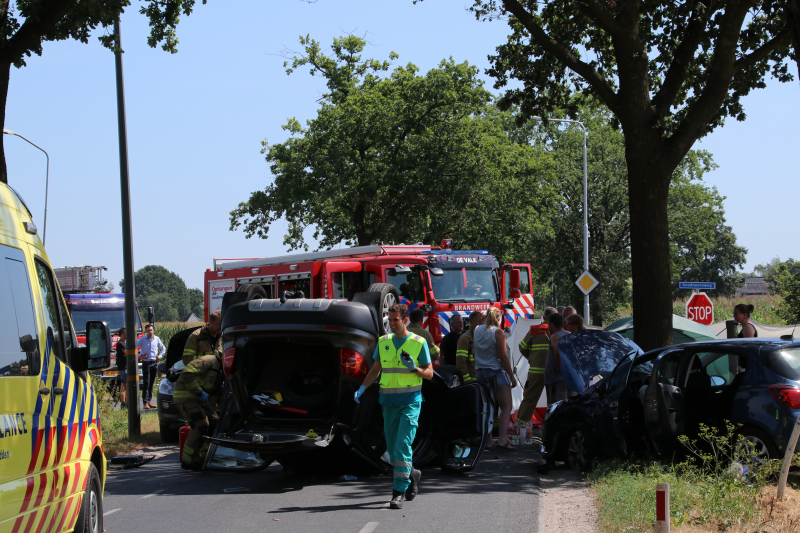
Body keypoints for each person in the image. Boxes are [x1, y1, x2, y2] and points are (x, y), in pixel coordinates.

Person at [355, 303, 433, 509]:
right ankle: (412, 474)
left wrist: (414, 368)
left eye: (396, 320)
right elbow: (375, 370)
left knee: (402, 445)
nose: (392, 324)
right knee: (391, 450)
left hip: (410, 402)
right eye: (390, 320)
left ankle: (398, 492)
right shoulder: (384, 342)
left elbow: (430, 373)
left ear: (405, 320)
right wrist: (362, 388)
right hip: (388, 402)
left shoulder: (419, 342)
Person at [173, 350, 225, 470]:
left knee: (214, 424)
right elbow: (187, 373)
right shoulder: (209, 361)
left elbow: (216, 390)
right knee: (201, 425)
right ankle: (188, 461)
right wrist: (200, 392)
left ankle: (204, 458)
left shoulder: (222, 368)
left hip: (201, 400)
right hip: (188, 397)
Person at [474, 307, 517, 450]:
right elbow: (503, 357)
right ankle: (503, 440)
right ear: (498, 318)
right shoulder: (498, 332)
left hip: (480, 373)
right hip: (495, 372)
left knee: (487, 407)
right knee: (506, 406)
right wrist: (511, 376)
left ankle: (489, 440)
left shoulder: (477, 330)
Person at [517, 309, 556, 424]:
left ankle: (520, 427)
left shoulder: (534, 329)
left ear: (543, 317)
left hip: (536, 373)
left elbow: (522, 347)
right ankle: (552, 428)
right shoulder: (557, 331)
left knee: (529, 401)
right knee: (554, 402)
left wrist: (532, 358)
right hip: (553, 373)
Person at [137, 324, 166, 409]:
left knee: (151, 383)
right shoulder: (142, 340)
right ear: (146, 331)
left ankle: (150, 401)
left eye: (151, 330)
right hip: (146, 363)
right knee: (146, 383)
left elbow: (163, 348)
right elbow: (134, 347)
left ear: (153, 330)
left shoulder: (156, 339)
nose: (150, 332)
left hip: (154, 363)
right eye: (148, 330)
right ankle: (145, 402)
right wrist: (140, 357)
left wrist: (160, 356)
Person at [544, 313, 570, 406]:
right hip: (569, 379)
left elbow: (557, 350)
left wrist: (559, 366)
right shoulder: (570, 335)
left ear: (552, 325)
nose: (547, 327)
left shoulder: (555, 336)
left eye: (548, 324)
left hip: (556, 380)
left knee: (556, 407)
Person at [456, 311, 482, 382]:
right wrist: (467, 380)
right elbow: (461, 362)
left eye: (482, 321)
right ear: (471, 322)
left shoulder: (485, 336)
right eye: (478, 321)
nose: (481, 324)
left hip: (484, 379)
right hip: (473, 381)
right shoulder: (465, 338)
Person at [116, 327, 128, 407]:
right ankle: (123, 402)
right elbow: (127, 352)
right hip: (123, 367)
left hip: (124, 366)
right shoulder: (120, 343)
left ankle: (125, 402)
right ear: (123, 334)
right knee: (124, 385)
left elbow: (127, 353)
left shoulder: (124, 343)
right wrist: (127, 353)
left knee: (124, 384)